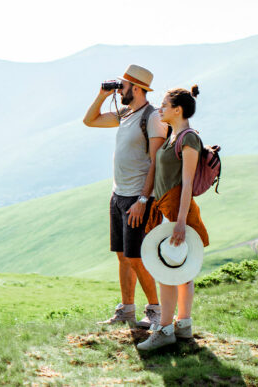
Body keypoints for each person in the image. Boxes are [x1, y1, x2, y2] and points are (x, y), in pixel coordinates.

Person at [83, 65, 168, 328]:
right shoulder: (125, 113)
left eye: (124, 85)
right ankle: (127, 310)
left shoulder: (152, 117)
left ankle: (156, 310)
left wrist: (144, 200)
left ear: (138, 89)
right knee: (122, 255)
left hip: (138, 198)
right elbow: (90, 120)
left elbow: (156, 162)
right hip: (118, 194)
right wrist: (101, 94)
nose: (120, 89)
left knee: (135, 257)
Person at [137, 85, 210, 351]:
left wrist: (180, 222)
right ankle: (182, 326)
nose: (160, 109)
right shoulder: (173, 136)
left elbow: (187, 184)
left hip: (178, 212)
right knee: (177, 269)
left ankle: (167, 329)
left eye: (165, 106)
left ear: (177, 110)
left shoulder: (188, 139)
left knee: (170, 269)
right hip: (169, 210)